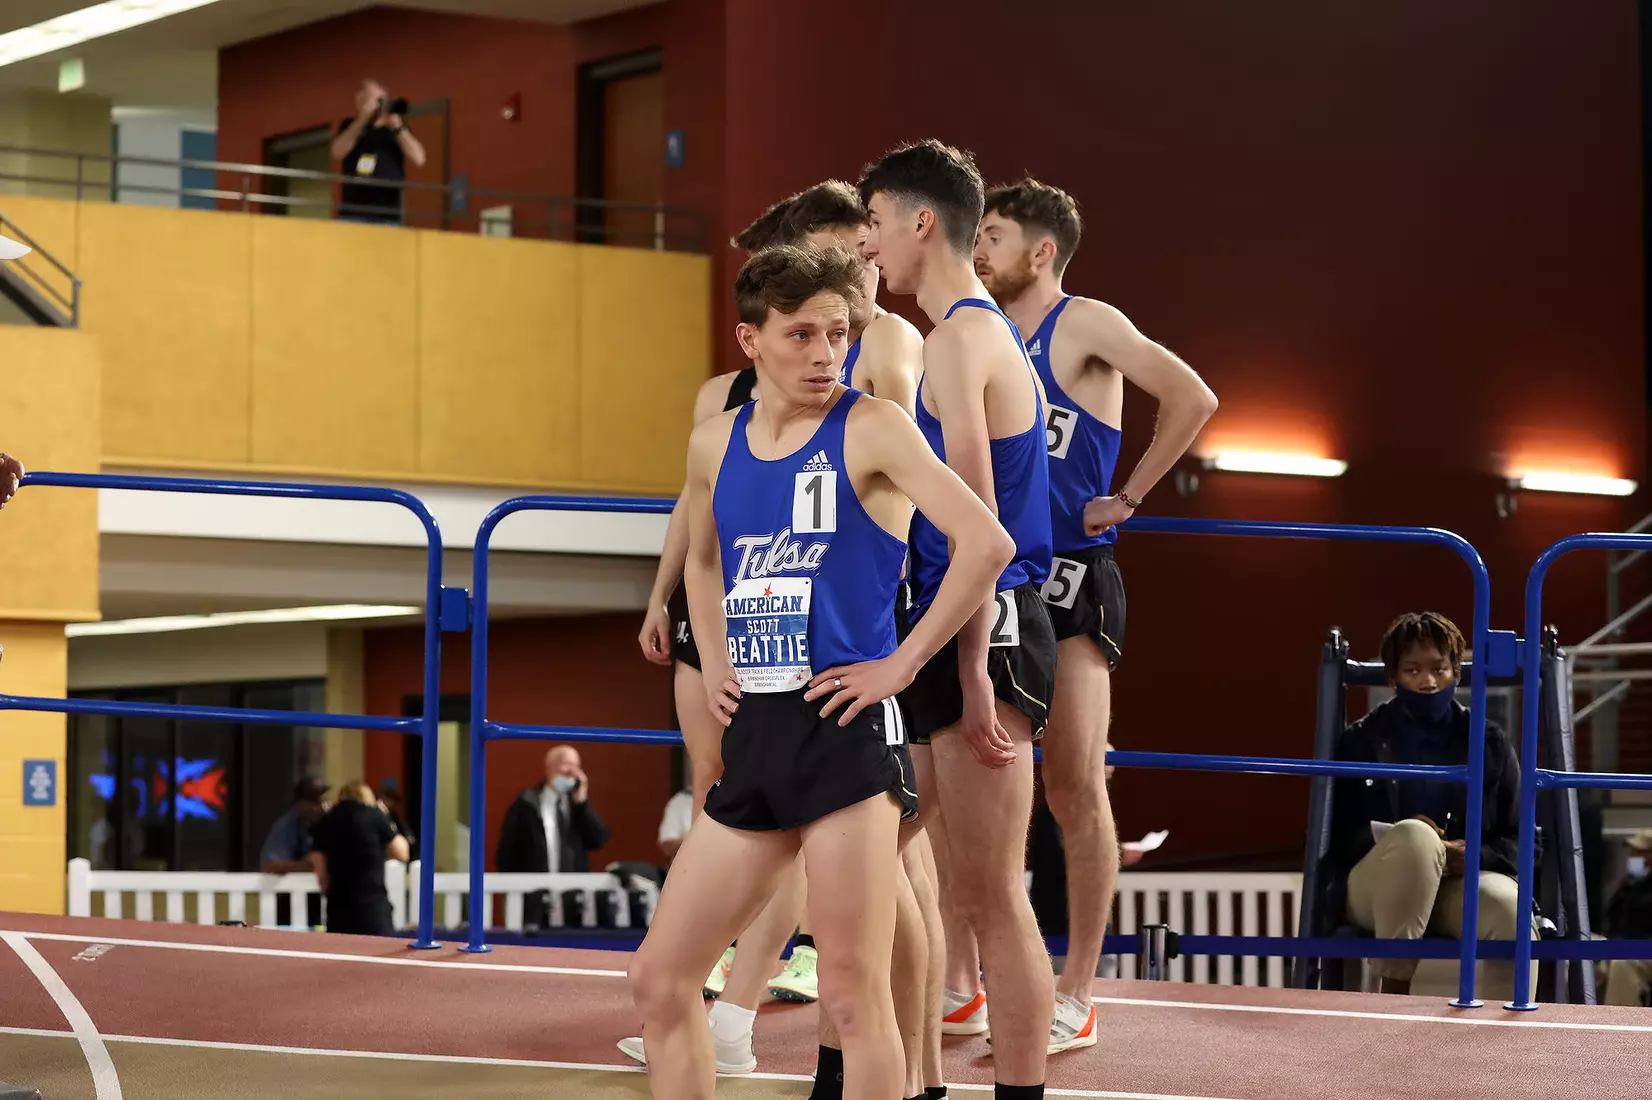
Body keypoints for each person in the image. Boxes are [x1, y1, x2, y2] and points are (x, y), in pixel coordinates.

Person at [626, 243, 1014, 1100]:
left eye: (838, 334)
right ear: (751, 340)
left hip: (846, 736)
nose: (824, 353)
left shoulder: (873, 426)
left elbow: (988, 544)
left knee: (849, 994)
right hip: (756, 732)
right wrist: (716, 658)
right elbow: (702, 560)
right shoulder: (713, 444)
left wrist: (902, 664)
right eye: (800, 334)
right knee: (659, 979)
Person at [967, 178, 1218, 1049]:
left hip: (1073, 573)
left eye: (993, 235)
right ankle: (973, 983)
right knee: (975, 780)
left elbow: (1192, 397)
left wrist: (1130, 496)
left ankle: (1077, 991)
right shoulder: (976, 330)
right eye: (977, 235)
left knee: (1073, 783)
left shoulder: (1086, 323)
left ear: (1042, 251)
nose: (979, 250)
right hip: (999, 577)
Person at [860, 139, 1056, 1099]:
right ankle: (913, 1076)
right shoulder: (965, 335)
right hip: (950, 622)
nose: (869, 243)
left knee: (990, 893)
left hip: (987, 627)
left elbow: (983, 531)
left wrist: (973, 667)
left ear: (921, 221)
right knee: (888, 857)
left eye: (875, 222)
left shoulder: (957, 341)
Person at [1322, 611, 1533, 999]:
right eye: (1412, 670)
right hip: (1377, 885)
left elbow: (1522, 840)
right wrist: (1398, 837)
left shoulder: (1489, 742)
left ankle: (1510, 1029)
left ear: (1456, 672)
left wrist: (1473, 855)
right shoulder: (1360, 741)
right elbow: (1332, 839)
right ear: (1393, 677)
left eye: (1439, 669)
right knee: (1416, 837)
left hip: (1458, 883)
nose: (1428, 682)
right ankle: (1394, 996)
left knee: (1510, 911)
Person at [495, 745, 611, 928]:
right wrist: (512, 890)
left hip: (572, 903)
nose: (572, 771)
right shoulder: (526, 803)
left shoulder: (577, 805)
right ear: (549, 767)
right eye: (566, 764)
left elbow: (599, 840)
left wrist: (582, 803)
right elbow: (506, 854)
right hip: (534, 900)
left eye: (576, 766)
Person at [308, 780, 410, 936]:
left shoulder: (326, 821)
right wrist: (386, 818)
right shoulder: (375, 816)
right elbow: (402, 853)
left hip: (338, 914)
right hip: (373, 912)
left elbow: (322, 877)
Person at [332, 78, 427, 224]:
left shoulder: (397, 131)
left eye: (381, 100)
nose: (377, 106)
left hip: (389, 214)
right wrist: (362, 120)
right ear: (360, 101)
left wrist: (397, 127)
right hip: (353, 213)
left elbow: (419, 159)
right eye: (372, 100)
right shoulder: (350, 125)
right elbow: (337, 152)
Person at [1602, 828, 1652, 1007]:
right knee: (1580, 959)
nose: (1633, 857)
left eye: (1640, 852)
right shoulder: (1630, 885)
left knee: (1622, 965)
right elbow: (1613, 918)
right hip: (1622, 944)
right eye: (1633, 852)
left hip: (1644, 949)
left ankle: (1618, 1020)